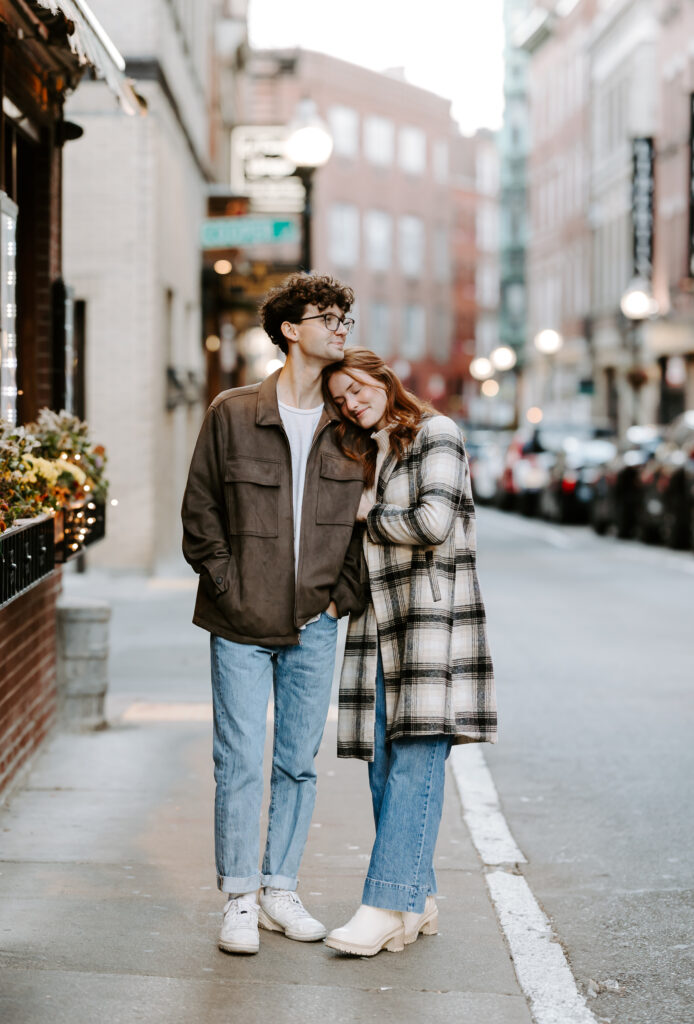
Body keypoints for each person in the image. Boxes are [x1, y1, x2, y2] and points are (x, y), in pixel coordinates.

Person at [181, 273, 366, 955]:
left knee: (296, 761)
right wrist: (229, 587)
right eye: (328, 316)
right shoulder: (233, 411)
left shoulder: (349, 421)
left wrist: (338, 597)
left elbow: (359, 529)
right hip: (239, 621)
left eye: (346, 316)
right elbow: (200, 512)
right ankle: (239, 896)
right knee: (239, 761)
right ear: (290, 329)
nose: (342, 327)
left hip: (314, 623)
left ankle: (280, 887)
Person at [321, 348, 497, 957]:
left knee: (417, 761)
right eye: (339, 399)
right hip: (375, 626)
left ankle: (384, 904)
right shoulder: (368, 454)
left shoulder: (435, 433)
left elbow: (433, 523)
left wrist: (368, 512)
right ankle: (414, 902)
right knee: (383, 766)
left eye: (355, 387)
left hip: (427, 623)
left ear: (380, 378)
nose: (351, 401)